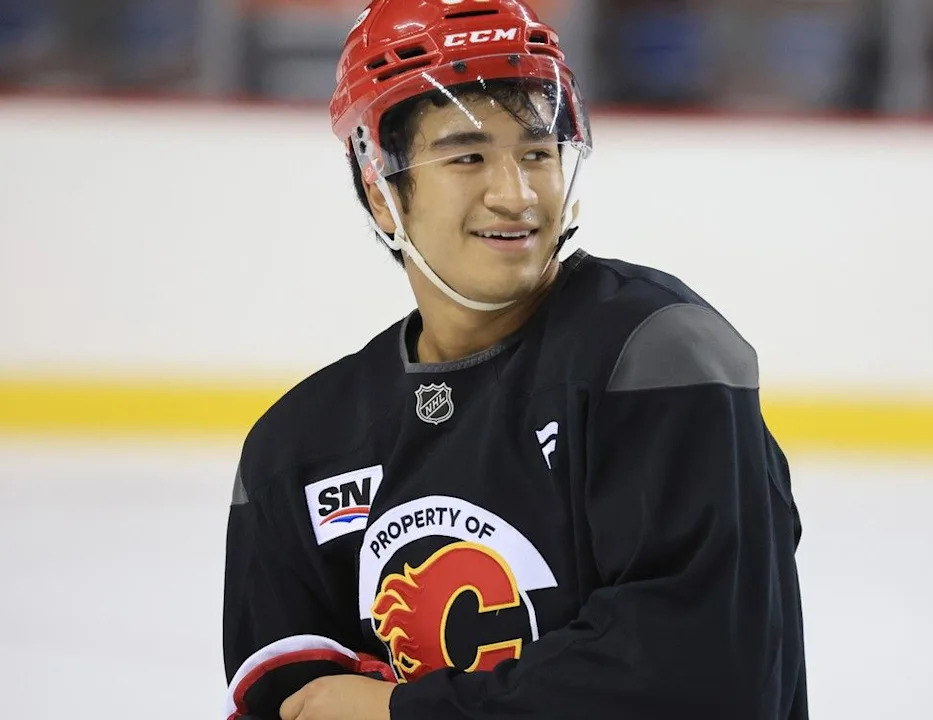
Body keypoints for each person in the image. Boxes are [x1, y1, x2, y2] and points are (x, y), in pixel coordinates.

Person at [221, 1, 808, 719]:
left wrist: (396, 710)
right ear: (381, 193)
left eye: (536, 152)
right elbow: (291, 704)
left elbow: (705, 677)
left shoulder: (655, 358)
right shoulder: (299, 451)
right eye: (467, 156)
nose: (517, 194)